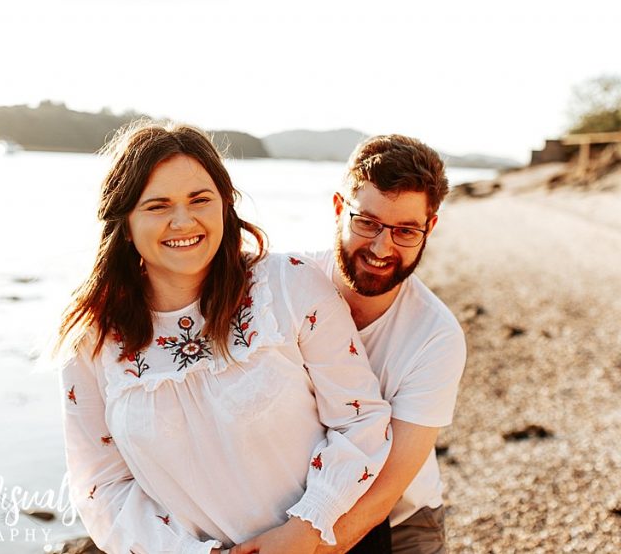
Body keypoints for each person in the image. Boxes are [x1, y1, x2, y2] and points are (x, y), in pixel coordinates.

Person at [54, 121, 392, 554]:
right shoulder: (91, 341)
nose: (183, 220)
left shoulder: (287, 286)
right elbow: (102, 488)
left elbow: (361, 418)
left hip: (333, 540)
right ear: (125, 220)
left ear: (224, 206)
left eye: (200, 199)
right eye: (157, 205)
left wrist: (307, 527)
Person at [306, 135, 467, 553]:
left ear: (430, 227)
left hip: (401, 516)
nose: (382, 247)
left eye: (405, 231)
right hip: (294, 498)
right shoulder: (289, 285)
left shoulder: (435, 337)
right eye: (368, 222)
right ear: (340, 208)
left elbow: (384, 490)